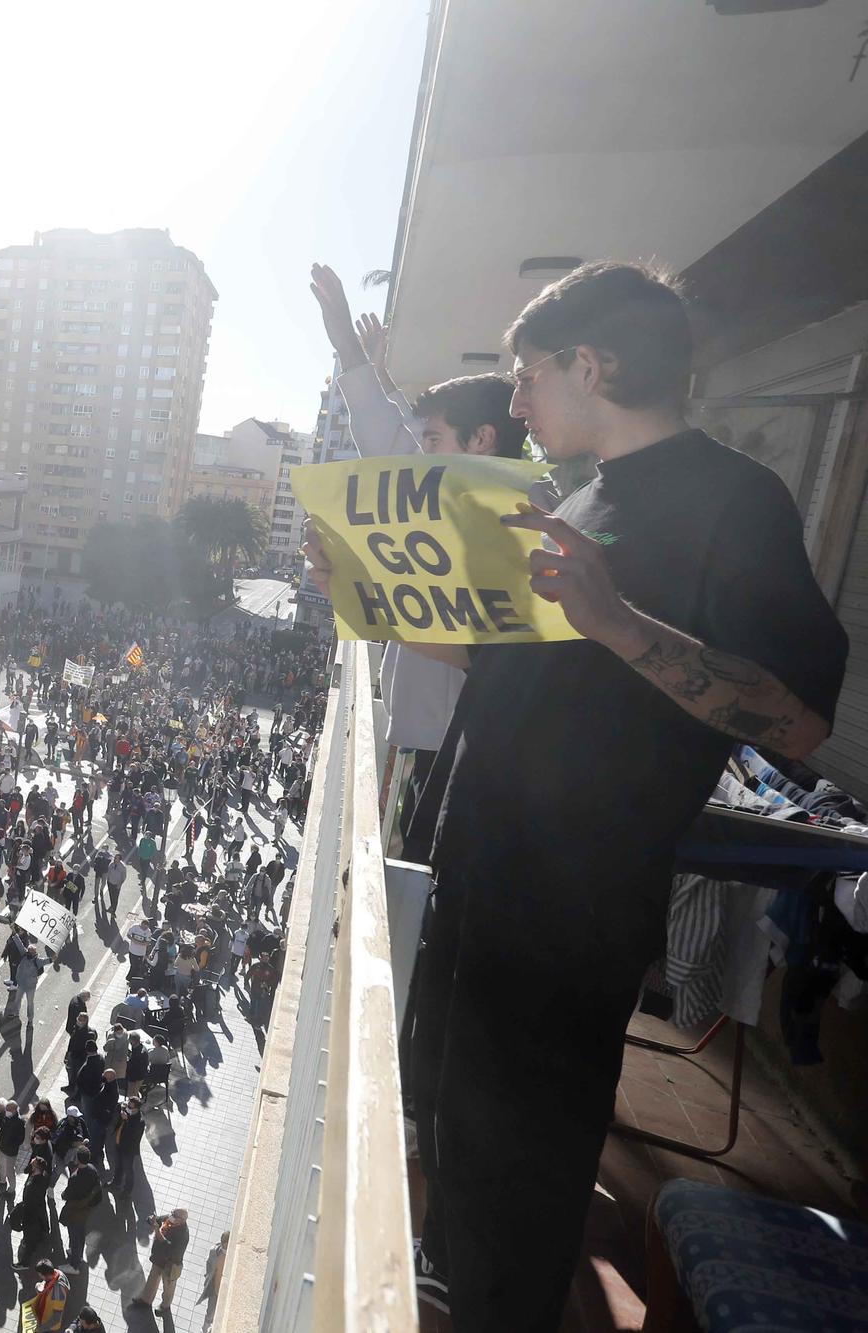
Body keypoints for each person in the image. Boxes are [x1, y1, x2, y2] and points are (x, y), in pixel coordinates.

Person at [305, 261, 849, 1331]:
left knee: (523, 1172)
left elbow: (796, 719)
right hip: (480, 875)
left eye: (525, 376)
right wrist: (364, 599)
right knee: (455, 1133)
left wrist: (619, 624)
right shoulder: (572, 497)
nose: (513, 402)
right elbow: (499, 662)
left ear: (588, 365)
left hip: (572, 914)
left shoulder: (733, 502)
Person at [307, 262, 527, 848]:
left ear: (481, 441)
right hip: (426, 740)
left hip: (456, 754)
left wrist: (356, 596)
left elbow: (485, 655)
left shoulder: (519, 516)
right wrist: (358, 358)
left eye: (431, 441)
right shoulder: (457, 498)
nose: (416, 453)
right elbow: (388, 435)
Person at [134, 1208, 188, 1314]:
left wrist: (157, 1231)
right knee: (152, 1278)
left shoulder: (183, 1234)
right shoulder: (170, 1218)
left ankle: (165, 1306)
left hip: (170, 1264)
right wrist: (151, 1219)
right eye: (172, 1212)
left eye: (175, 1215)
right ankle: (146, 1300)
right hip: (159, 1258)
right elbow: (157, 1219)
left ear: (182, 1220)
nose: (171, 1215)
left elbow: (168, 1247)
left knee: (168, 1287)